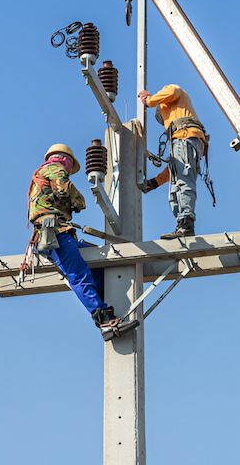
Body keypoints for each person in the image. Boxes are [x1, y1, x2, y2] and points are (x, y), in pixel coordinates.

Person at [27, 143, 128, 338]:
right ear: (66, 160)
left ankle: (105, 300)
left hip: (58, 233)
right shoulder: (55, 169)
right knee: (79, 274)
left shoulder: (41, 173)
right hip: (55, 233)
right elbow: (64, 192)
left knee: (96, 265)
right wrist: (79, 201)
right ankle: (103, 320)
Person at [137, 84, 209, 239]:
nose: (164, 120)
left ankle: (186, 224)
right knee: (175, 188)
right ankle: (182, 225)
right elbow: (174, 169)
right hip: (188, 141)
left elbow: (173, 90)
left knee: (183, 182)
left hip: (185, 137)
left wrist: (149, 100)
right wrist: (155, 183)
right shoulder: (177, 138)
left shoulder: (172, 93)